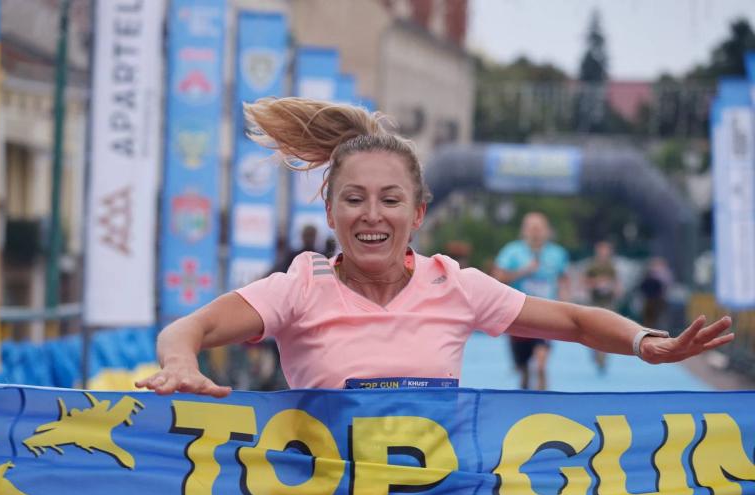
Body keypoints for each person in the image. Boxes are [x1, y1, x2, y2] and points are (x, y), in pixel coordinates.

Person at [136, 97, 733, 398]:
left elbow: (575, 321)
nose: (372, 215)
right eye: (354, 199)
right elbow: (188, 329)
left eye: (391, 200)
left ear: (418, 213)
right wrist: (181, 363)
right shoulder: (299, 288)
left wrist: (645, 342)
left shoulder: (455, 284)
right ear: (331, 212)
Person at [492, 213, 569, 390]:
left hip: (547, 315)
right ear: (524, 231)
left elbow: (563, 279)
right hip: (518, 315)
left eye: (539, 228)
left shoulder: (558, 253)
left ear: (547, 231)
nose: (535, 233)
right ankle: (525, 385)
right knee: (523, 367)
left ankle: (543, 399)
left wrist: (565, 301)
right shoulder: (512, 251)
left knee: (541, 365)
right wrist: (524, 271)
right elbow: (497, 278)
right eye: (531, 228)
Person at [584, 240, 622, 373]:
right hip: (594, 302)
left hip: (608, 303)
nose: (604, 253)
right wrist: (597, 283)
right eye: (602, 250)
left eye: (606, 251)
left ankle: (603, 358)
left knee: (606, 332)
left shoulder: (612, 267)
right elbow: (585, 282)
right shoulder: (592, 266)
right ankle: (594, 351)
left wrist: (615, 289)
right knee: (594, 331)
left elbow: (617, 283)